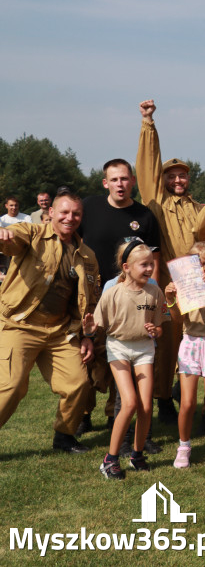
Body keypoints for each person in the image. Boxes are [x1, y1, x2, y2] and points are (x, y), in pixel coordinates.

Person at [136, 99, 205, 425]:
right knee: (165, 339)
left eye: (183, 176)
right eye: (171, 176)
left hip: (194, 281)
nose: (178, 180)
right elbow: (148, 164)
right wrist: (148, 123)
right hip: (165, 281)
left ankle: (201, 403)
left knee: (196, 337)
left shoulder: (194, 205)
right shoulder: (155, 201)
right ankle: (163, 400)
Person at [0, 188, 101, 454]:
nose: (70, 218)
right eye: (64, 212)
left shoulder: (87, 255)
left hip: (59, 331)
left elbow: (89, 301)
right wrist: (4, 236)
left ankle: (64, 437)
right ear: (51, 212)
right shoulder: (32, 233)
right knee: (11, 387)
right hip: (19, 324)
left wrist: (87, 337)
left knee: (78, 383)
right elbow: (12, 241)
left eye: (76, 213)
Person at [78, 158, 162, 440]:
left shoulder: (145, 215)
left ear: (133, 181)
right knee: (88, 358)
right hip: (91, 294)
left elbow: (155, 259)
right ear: (105, 183)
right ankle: (83, 414)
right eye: (114, 180)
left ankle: (121, 419)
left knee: (122, 354)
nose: (120, 184)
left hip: (131, 296)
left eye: (125, 179)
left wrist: (152, 297)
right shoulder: (89, 208)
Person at [84, 239, 165, 479]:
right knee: (129, 403)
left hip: (144, 349)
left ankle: (137, 455)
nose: (149, 269)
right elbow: (95, 328)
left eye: (151, 264)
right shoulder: (112, 293)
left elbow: (160, 328)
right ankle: (109, 460)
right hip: (118, 348)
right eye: (144, 265)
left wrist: (155, 331)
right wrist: (89, 330)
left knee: (146, 405)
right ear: (126, 266)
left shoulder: (154, 291)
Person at [165, 242, 205, 469]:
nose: (202, 268)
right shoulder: (184, 287)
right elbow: (177, 318)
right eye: (196, 264)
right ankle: (184, 446)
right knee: (187, 403)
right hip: (190, 343)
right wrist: (170, 298)